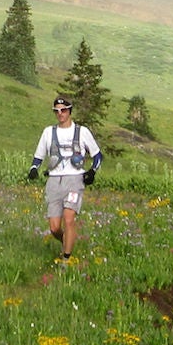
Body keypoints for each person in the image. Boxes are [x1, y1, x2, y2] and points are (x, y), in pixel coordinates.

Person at [28, 95, 101, 261]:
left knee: (69, 218)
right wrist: (34, 168)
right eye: (57, 111)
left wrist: (92, 171)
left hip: (74, 180)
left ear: (70, 111)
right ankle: (67, 241)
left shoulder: (82, 132)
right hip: (54, 180)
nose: (60, 113)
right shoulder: (48, 132)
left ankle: (66, 260)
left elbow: (97, 155)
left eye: (64, 110)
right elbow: (38, 156)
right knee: (54, 227)